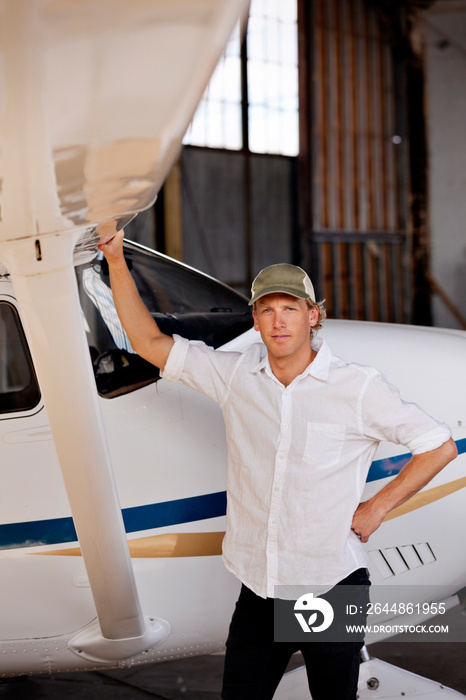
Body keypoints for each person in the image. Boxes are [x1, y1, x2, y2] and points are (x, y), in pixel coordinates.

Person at [99, 231, 457, 700]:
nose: (278, 320)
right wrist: (115, 259)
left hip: (330, 585)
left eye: (290, 308)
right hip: (261, 592)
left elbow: (438, 445)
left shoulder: (357, 387)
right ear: (256, 319)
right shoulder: (235, 375)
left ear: (314, 315)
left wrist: (376, 508)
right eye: (267, 310)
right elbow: (147, 340)